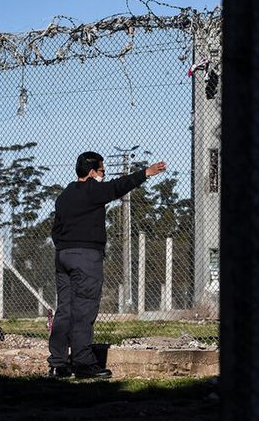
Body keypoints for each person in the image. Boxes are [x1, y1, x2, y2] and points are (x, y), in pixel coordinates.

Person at [47, 151, 166, 379]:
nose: (104, 175)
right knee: (83, 311)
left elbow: (56, 230)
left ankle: (58, 364)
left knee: (65, 310)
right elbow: (118, 187)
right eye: (102, 170)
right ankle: (83, 363)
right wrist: (146, 173)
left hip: (63, 256)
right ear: (92, 172)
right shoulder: (92, 190)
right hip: (85, 257)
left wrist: (64, 247)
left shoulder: (64, 195)